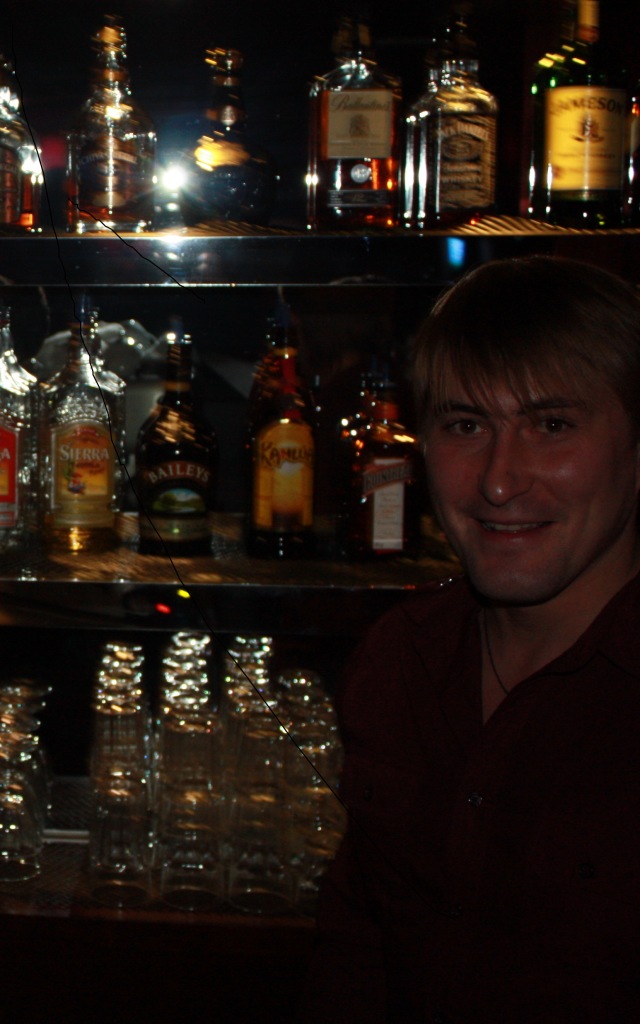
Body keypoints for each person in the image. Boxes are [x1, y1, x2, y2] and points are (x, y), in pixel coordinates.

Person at [299, 254, 640, 1024]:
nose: (498, 480)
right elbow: (356, 951)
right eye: (466, 426)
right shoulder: (401, 659)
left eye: (552, 426)